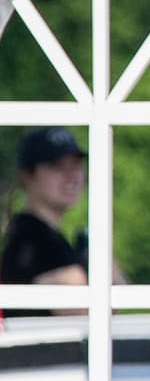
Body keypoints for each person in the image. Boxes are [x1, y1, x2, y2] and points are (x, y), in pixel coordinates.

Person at [2, 126, 91, 313]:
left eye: (75, 165)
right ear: (28, 176)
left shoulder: (49, 237)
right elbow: (82, 309)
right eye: (57, 166)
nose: (70, 176)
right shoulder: (29, 239)